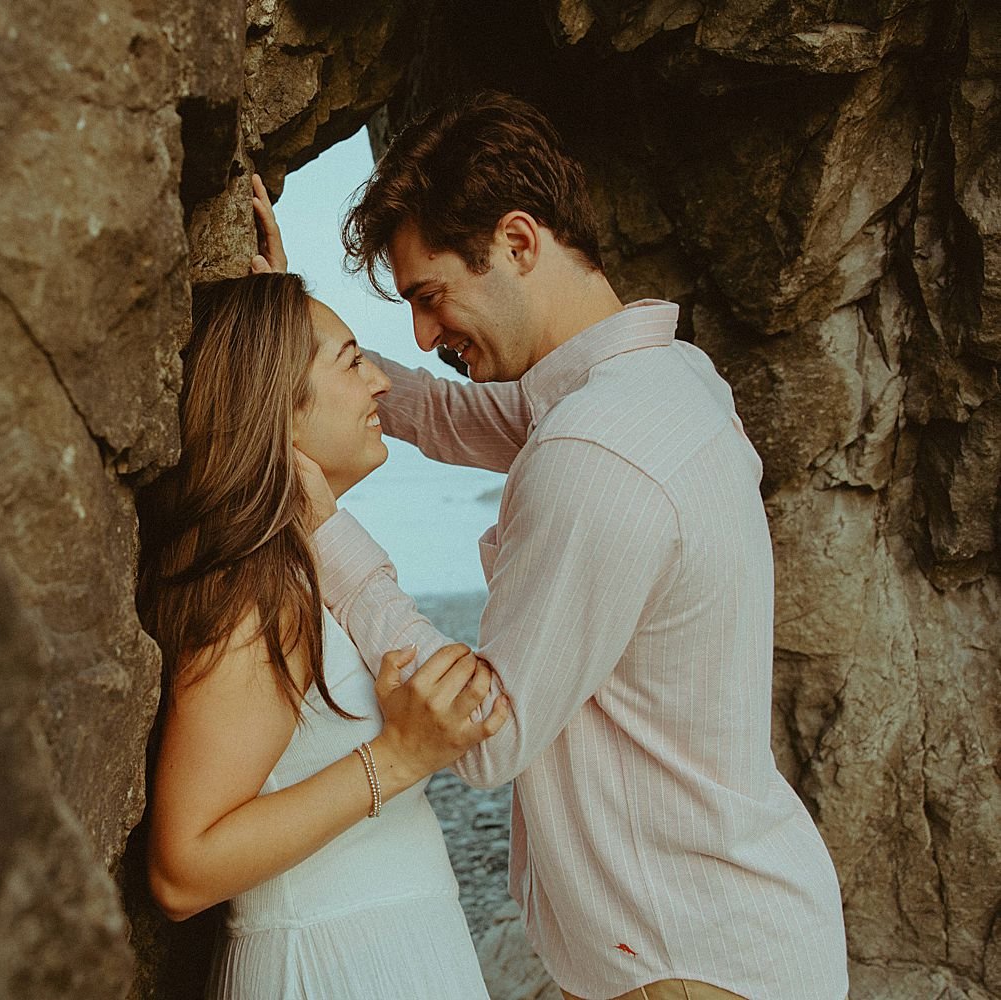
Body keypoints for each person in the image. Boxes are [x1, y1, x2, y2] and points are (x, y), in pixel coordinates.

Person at [253, 91, 849, 1000]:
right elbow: (458, 413)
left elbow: (485, 734)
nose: (420, 332)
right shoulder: (667, 378)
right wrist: (298, 345)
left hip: (683, 966)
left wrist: (324, 532)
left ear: (520, 244)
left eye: (430, 296)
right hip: (729, 934)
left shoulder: (592, 451)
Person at [136, 271, 503, 999]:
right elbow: (183, 868)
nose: (382, 385)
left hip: (380, 952)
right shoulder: (260, 592)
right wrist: (397, 759)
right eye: (353, 359)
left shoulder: (295, 570)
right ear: (278, 410)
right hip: (334, 966)